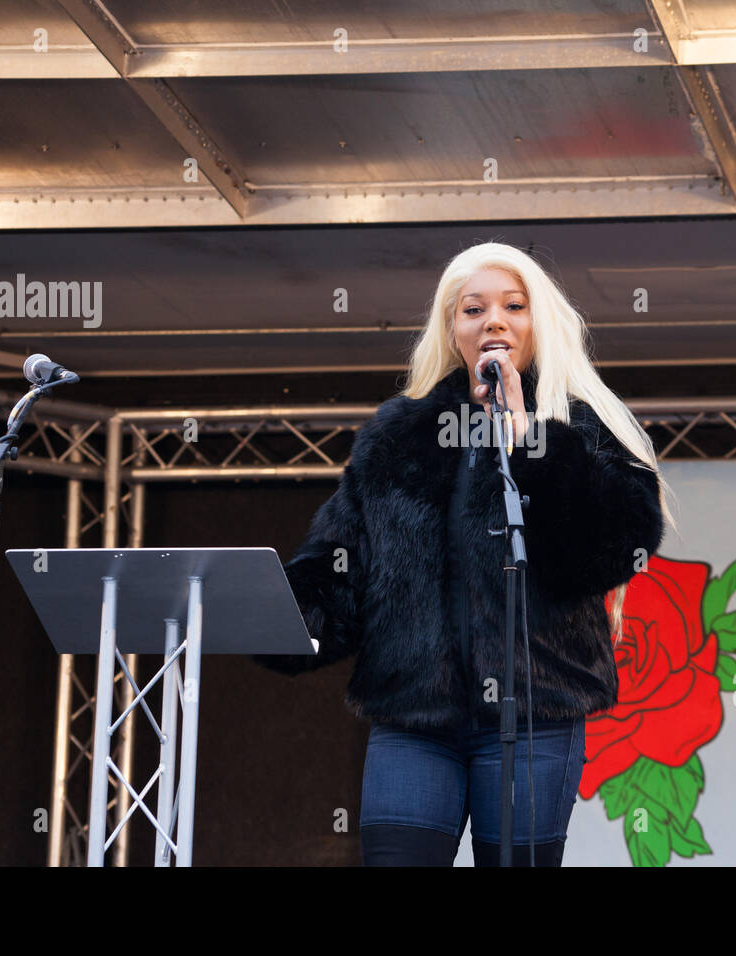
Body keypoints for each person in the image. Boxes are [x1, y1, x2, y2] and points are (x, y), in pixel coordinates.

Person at [255, 241, 673, 866]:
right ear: (453, 331)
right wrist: (261, 611)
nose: (494, 321)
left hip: (535, 714)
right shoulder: (398, 437)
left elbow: (619, 542)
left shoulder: (580, 426)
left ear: (540, 323)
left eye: (513, 305)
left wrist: (530, 441)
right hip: (412, 720)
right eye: (472, 309)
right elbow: (338, 570)